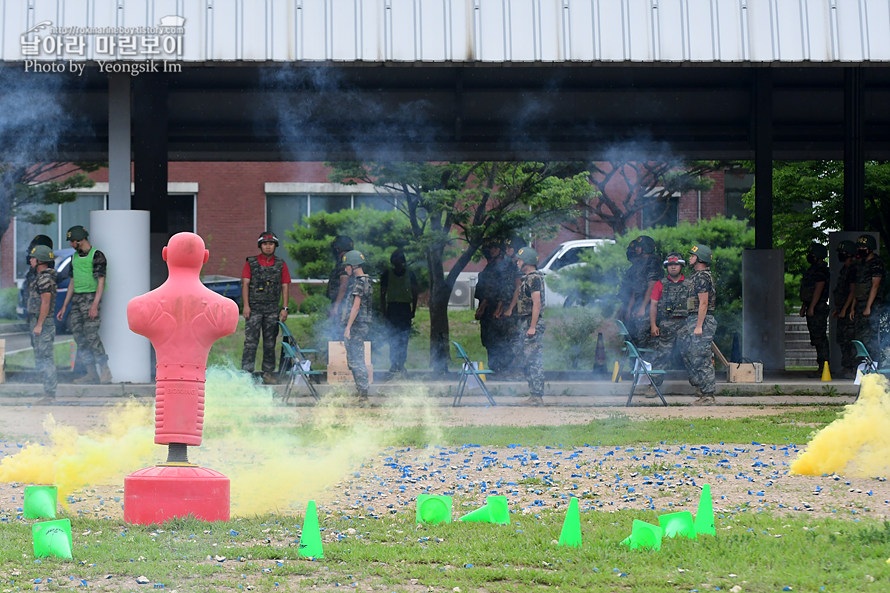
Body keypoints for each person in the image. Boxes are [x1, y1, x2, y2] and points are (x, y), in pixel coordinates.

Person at [56, 225, 112, 384]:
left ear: (80, 240)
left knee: (91, 335)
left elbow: (101, 281)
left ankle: (105, 371)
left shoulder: (97, 256)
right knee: (79, 337)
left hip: (90, 299)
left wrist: (95, 304)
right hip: (76, 300)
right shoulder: (74, 257)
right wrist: (65, 305)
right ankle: (91, 373)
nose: (71, 245)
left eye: (73, 241)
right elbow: (72, 282)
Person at [241, 231, 291, 384]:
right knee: (250, 342)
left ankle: (268, 374)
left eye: (271, 244)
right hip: (254, 309)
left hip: (272, 309)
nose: (268, 247)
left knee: (270, 343)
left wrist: (285, 308)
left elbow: (285, 286)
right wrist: (246, 306)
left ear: (275, 246)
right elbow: (245, 284)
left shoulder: (281, 264)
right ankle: (246, 375)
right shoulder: (251, 263)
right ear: (260, 246)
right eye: (265, 244)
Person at [647, 252, 691, 397]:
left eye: (676, 264)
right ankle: (653, 386)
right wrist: (653, 325)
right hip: (666, 324)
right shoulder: (660, 284)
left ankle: (701, 389)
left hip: (685, 324)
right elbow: (653, 305)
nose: (673, 267)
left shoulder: (690, 284)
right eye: (670, 265)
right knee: (661, 356)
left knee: (691, 355)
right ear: (666, 267)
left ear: (681, 266)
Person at [682, 243, 717, 406]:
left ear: (700, 259)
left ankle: (708, 395)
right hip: (694, 319)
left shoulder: (702, 277)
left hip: (701, 320)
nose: (690, 258)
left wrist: (699, 326)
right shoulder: (697, 275)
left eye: (693, 256)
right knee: (692, 354)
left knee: (702, 357)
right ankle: (702, 390)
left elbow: (703, 303)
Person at [515, 247, 546, 406]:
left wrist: (532, 326)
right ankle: (533, 395)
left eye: (520, 260)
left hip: (531, 323)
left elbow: (537, 303)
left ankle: (537, 396)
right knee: (526, 359)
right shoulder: (527, 278)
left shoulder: (534, 278)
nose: (518, 262)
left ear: (527, 261)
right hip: (525, 323)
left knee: (534, 360)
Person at [380, 249, 418, 377]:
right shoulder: (387, 274)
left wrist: (414, 309)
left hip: (404, 308)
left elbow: (415, 292)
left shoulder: (410, 274)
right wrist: (384, 310)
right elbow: (382, 293)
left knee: (404, 338)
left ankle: (401, 364)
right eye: (395, 259)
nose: (397, 262)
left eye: (399, 259)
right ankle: (393, 363)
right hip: (392, 308)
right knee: (393, 337)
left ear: (403, 260)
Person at [28, 245, 58, 404]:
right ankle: (47, 393)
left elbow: (45, 302)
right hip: (38, 321)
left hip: (44, 323)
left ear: (40, 260)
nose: (31, 260)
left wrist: (39, 325)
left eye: (33, 258)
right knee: (40, 357)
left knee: (46, 358)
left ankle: (50, 395)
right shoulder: (40, 276)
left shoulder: (45, 278)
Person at [342, 250, 373, 402]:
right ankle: (361, 391)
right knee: (354, 358)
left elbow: (356, 307)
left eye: (346, 266)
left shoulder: (360, 282)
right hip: (360, 324)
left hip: (357, 325)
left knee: (357, 359)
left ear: (353, 266)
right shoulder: (364, 280)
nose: (345, 269)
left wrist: (348, 327)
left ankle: (363, 394)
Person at [850, 234, 885, 365]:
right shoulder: (861, 265)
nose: (861, 249)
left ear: (870, 248)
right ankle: (863, 366)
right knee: (860, 338)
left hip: (872, 306)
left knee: (870, 338)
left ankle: (874, 366)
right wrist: (853, 307)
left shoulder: (876, 264)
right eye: (859, 246)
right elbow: (857, 288)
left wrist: (868, 306)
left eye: (863, 247)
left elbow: (875, 286)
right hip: (860, 304)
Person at [624, 235, 663, 349]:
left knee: (644, 341)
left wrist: (642, 307)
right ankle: (636, 365)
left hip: (648, 306)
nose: (636, 249)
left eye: (639, 247)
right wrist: (630, 308)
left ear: (646, 247)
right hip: (638, 305)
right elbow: (635, 289)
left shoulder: (653, 263)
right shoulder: (639, 264)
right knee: (634, 340)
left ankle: (645, 365)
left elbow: (652, 286)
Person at [474, 239, 506, 373]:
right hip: (487, 310)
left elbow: (493, 290)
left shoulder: (501, 267)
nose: (492, 251)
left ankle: (499, 367)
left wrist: (483, 307)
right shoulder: (489, 267)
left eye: (495, 247)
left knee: (496, 339)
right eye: (490, 248)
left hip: (493, 309)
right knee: (488, 339)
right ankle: (493, 366)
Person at [799, 243, 830, 377]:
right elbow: (808, 291)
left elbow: (819, 288)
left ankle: (824, 366)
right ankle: (821, 366)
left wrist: (811, 306)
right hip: (812, 306)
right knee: (816, 338)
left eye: (812, 254)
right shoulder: (813, 269)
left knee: (820, 338)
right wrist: (804, 306)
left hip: (818, 307)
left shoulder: (821, 270)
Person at [832, 240, 858, 378]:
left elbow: (853, 291)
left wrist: (846, 309)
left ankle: (853, 368)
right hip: (842, 308)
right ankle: (846, 366)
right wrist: (838, 308)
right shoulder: (845, 269)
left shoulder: (854, 269)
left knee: (850, 339)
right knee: (842, 339)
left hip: (848, 311)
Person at [327, 235, 354, 327]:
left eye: (336, 247)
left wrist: (336, 307)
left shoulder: (345, 262)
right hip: (343, 303)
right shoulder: (349, 260)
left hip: (343, 305)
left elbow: (343, 285)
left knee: (339, 334)